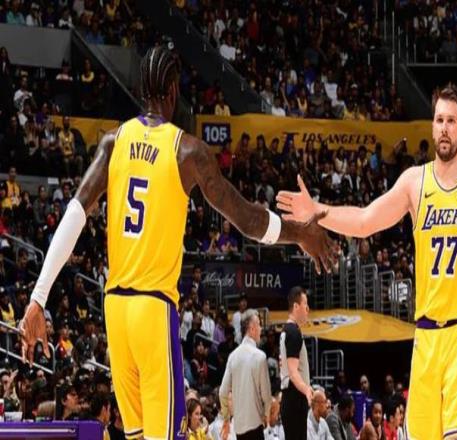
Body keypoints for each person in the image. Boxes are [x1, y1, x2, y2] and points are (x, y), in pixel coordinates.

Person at [20, 44, 335, 440]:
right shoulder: (187, 150)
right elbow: (247, 218)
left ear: (142, 90)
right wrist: (299, 232)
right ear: (173, 91)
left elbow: (74, 214)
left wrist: (38, 298)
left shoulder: (114, 141)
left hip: (115, 309)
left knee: (135, 436)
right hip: (152, 308)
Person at [277, 82, 457, 439]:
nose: (444, 128)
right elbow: (365, 221)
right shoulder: (414, 182)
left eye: (451, 121)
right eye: (439, 120)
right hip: (426, 334)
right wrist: (318, 210)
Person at [219, 309, 272, 440]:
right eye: (259, 325)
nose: (261, 329)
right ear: (252, 328)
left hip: (239, 428)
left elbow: (223, 392)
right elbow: (266, 395)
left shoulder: (232, 356)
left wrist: (226, 418)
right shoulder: (260, 356)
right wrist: (266, 414)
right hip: (256, 424)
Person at [280, 286, 312, 440]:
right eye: (305, 304)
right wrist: (306, 390)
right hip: (295, 398)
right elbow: (293, 372)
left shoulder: (288, 330)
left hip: (291, 398)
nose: (308, 309)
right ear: (295, 306)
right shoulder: (293, 332)